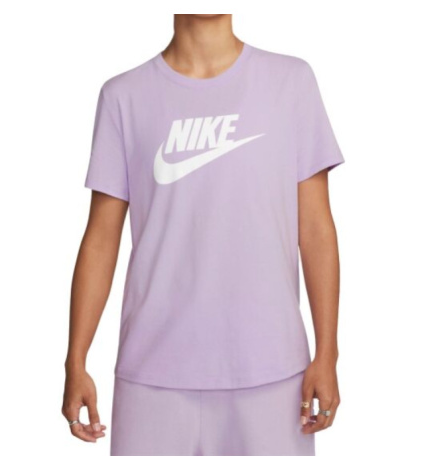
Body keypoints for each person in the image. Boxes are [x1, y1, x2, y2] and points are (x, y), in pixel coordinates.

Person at [62, 14, 344, 456]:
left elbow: (316, 228)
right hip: (151, 375)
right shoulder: (124, 96)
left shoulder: (291, 82)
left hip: (272, 372)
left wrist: (328, 353)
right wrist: (75, 361)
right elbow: (100, 238)